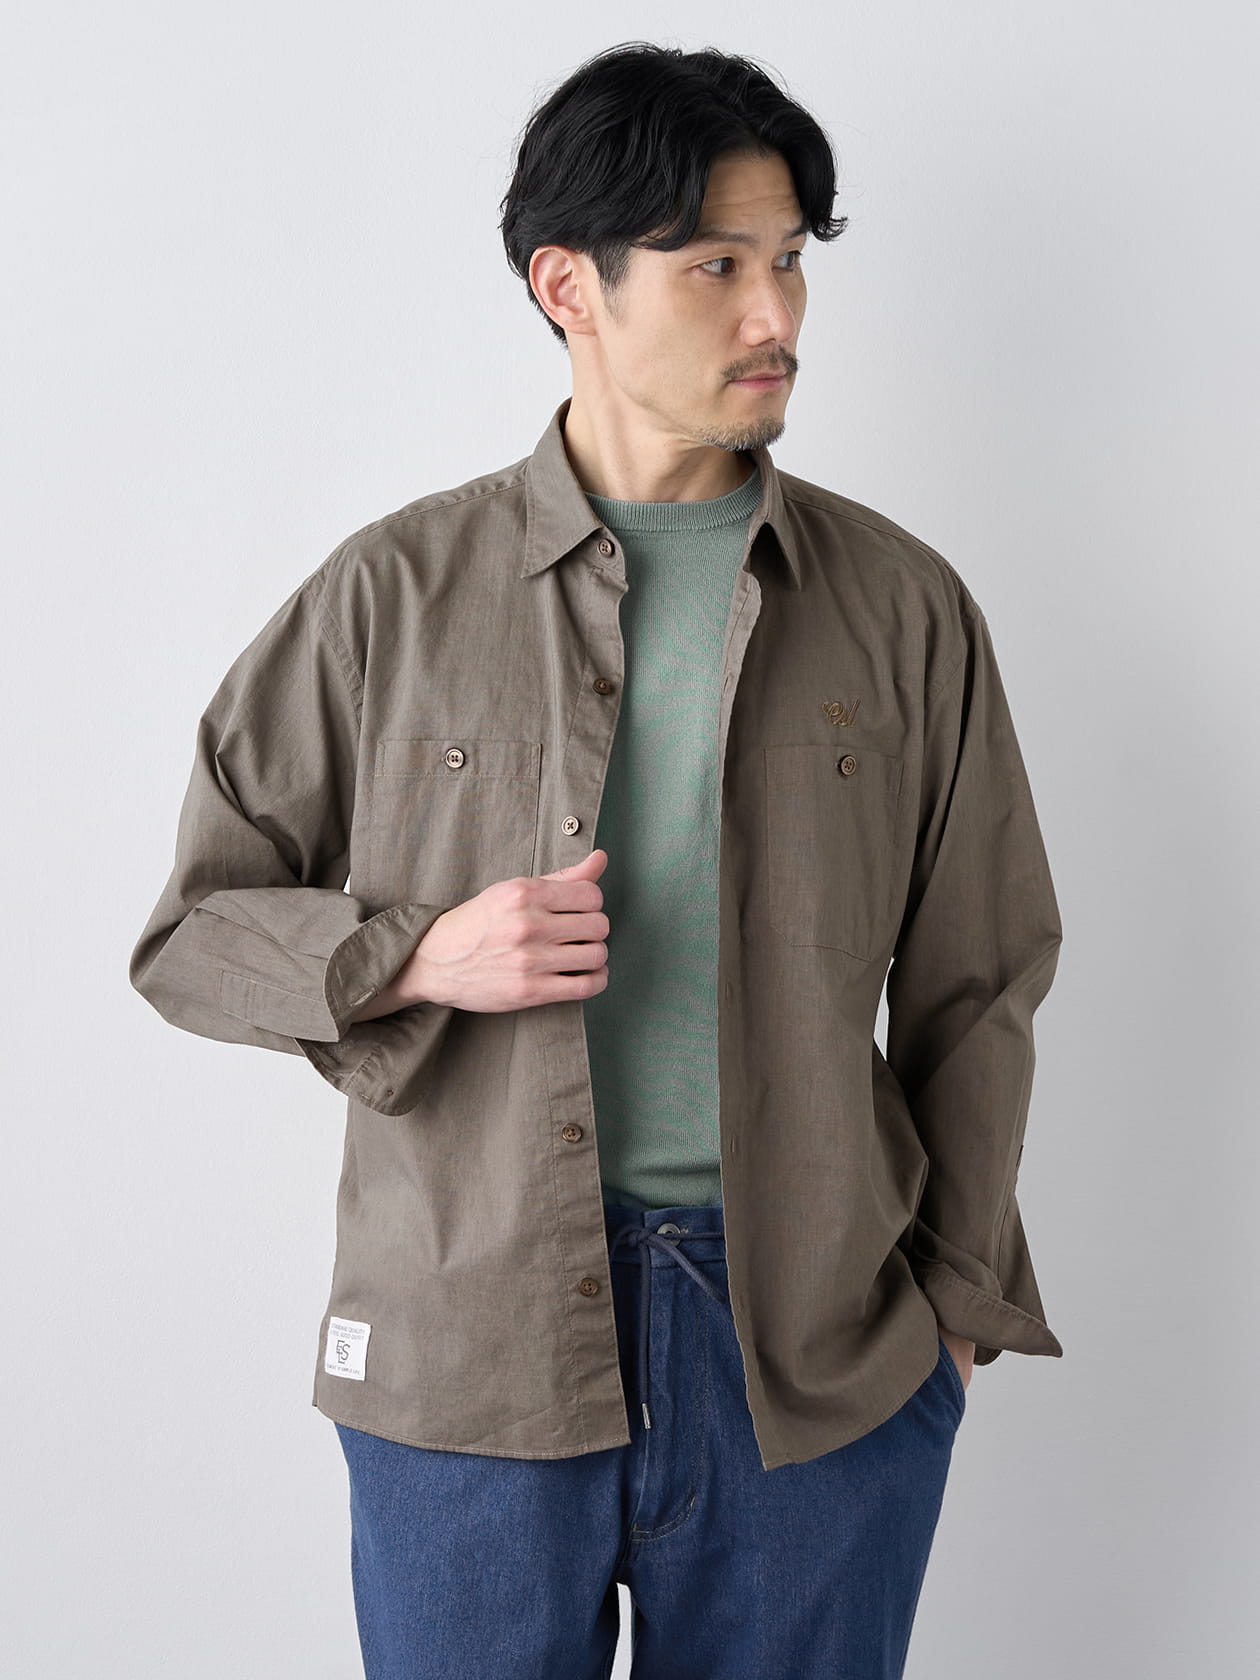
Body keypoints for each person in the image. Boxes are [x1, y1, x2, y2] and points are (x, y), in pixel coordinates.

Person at [129, 40, 1064, 1680]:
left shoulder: (901, 606)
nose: (775, 314)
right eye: (716, 266)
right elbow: (193, 934)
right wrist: (415, 955)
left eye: (790, 262)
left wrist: (955, 1313)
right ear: (569, 286)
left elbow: (981, 976)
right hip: (468, 1348)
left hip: (818, 1356)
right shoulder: (391, 596)